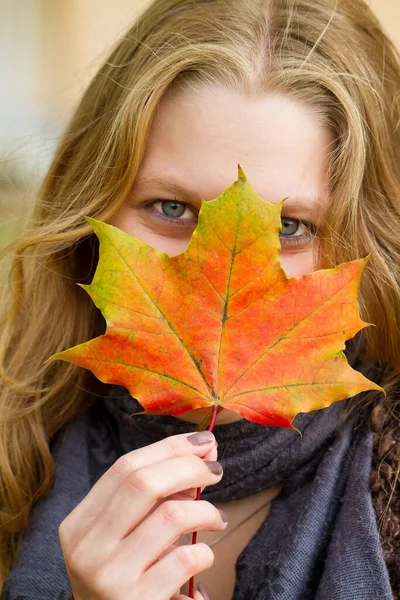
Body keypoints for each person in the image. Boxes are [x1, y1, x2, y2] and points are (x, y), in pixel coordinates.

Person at [0, 0, 399, 598]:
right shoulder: (15, 459)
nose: (218, 283)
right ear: (91, 218)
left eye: (290, 226)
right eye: (171, 208)